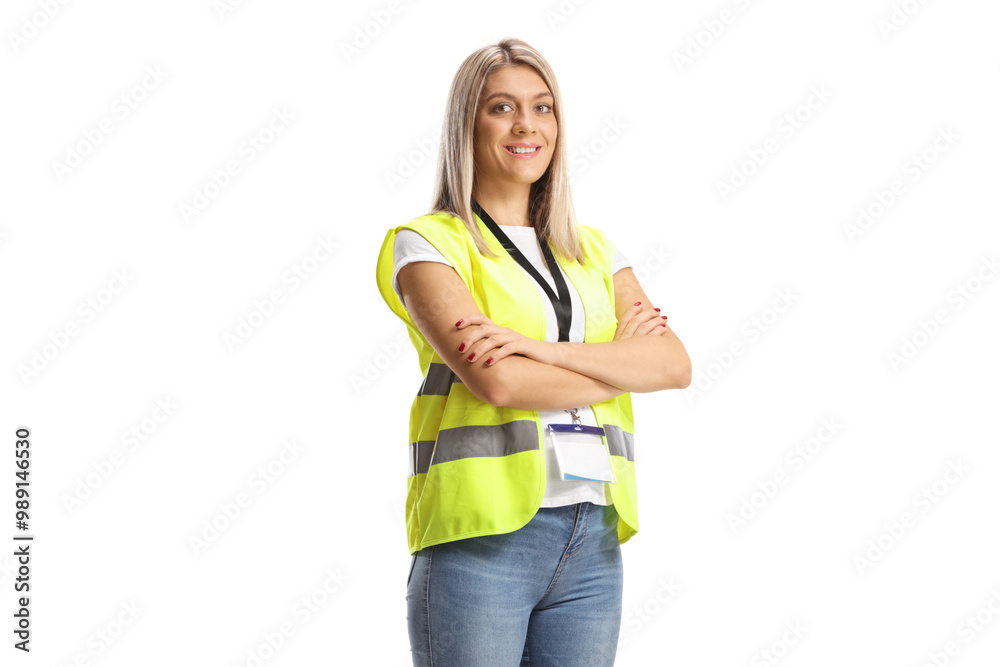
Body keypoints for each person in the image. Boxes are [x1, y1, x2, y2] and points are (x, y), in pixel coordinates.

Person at [374, 37, 691, 666]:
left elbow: (673, 365)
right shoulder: (428, 245)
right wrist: (620, 364)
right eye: (502, 107)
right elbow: (501, 384)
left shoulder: (593, 250)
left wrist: (536, 350)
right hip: (482, 539)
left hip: (593, 534)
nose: (527, 125)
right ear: (467, 125)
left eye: (543, 107)